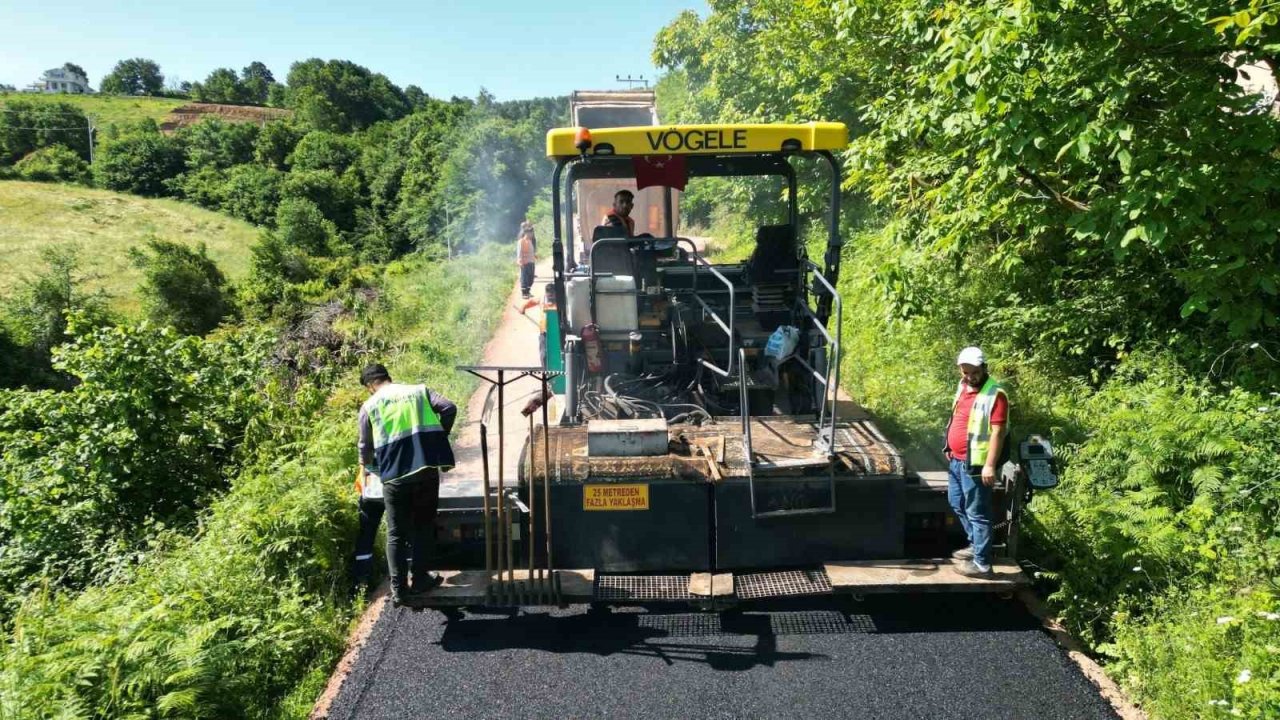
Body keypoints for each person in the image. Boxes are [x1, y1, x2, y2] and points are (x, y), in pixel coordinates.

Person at [357, 363, 457, 606]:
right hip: (425, 471)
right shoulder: (419, 391)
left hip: (394, 477)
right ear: (388, 377)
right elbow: (449, 407)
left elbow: (365, 447)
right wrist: (437, 439)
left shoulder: (369, 406)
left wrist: (370, 469)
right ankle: (420, 579)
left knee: (396, 533)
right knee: (423, 525)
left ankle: (399, 590)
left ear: (370, 386)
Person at [942, 346, 1009, 578]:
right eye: (966, 372)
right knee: (957, 503)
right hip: (956, 459)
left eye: (975, 372)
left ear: (984, 368)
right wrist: (949, 445)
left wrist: (990, 465)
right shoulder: (962, 386)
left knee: (978, 512)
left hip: (976, 464)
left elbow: (998, 432)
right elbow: (958, 418)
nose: (970, 377)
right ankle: (976, 545)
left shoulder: (995, 395)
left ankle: (982, 564)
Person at [516, 224, 537, 299]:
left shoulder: (530, 241)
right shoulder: (521, 241)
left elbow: (531, 251)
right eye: (531, 233)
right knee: (525, 278)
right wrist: (520, 261)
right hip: (525, 263)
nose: (532, 234)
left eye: (532, 233)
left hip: (531, 262)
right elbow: (519, 252)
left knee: (531, 278)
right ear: (526, 233)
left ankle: (528, 291)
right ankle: (524, 293)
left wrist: (534, 255)